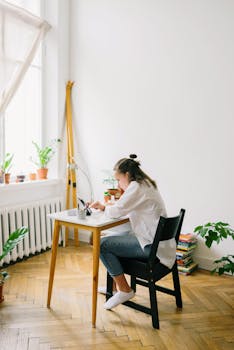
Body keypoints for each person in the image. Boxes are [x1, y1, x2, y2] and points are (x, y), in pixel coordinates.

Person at [90, 154, 176, 310]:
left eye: (118, 179)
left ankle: (124, 290)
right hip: (161, 245)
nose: (118, 183)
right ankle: (114, 288)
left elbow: (116, 211)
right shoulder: (147, 184)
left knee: (102, 245)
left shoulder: (136, 187)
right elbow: (126, 209)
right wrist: (116, 201)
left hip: (151, 248)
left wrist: (103, 207)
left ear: (127, 175)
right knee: (114, 237)